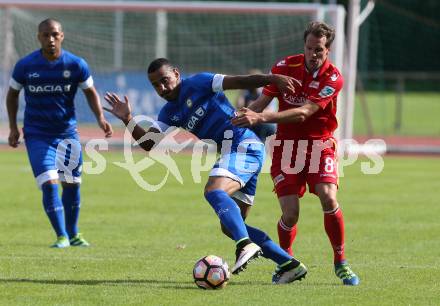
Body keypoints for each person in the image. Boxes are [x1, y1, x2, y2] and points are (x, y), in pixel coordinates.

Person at [104, 58, 307, 284]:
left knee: (213, 191)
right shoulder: (169, 111)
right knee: (230, 226)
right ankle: (289, 264)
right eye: (156, 85)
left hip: (243, 146)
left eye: (165, 80)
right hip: (235, 154)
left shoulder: (200, 82)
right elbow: (150, 143)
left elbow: (239, 80)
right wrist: (128, 119)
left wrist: (271, 78)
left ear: (177, 74)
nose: (162, 88)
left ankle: (245, 245)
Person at [232, 21, 360, 286]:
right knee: (290, 214)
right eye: (310, 48)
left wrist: (261, 117)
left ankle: (341, 262)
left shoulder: (333, 77)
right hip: (286, 148)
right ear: (304, 45)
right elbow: (260, 102)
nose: (314, 54)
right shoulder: (283, 68)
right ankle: (287, 263)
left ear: (328, 50)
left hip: (319, 145)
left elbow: (304, 113)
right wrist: (243, 119)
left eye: (320, 50)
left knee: (327, 196)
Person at [6, 18, 113, 248]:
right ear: (38, 37)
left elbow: (90, 92)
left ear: (62, 36)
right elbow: (12, 94)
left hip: (67, 134)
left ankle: (74, 234)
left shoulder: (76, 64)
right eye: (46, 35)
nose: (50, 39)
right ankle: (61, 236)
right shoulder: (25, 65)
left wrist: (101, 118)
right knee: (49, 182)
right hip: (37, 135)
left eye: (54, 34)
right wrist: (14, 127)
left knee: (72, 184)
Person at [235, 69, 276, 143]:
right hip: (252, 123)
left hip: (267, 123)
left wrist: (255, 110)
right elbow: (239, 107)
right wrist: (242, 91)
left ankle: (260, 144)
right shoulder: (247, 94)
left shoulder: (266, 93)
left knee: (259, 124)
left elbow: (270, 112)